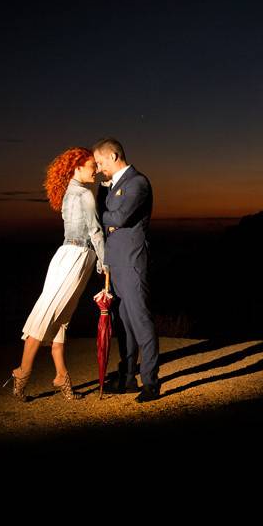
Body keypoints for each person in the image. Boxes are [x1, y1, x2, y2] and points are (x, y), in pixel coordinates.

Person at [5, 147, 107, 401]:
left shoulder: (70, 194)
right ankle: (22, 372)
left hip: (70, 256)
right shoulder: (83, 194)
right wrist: (106, 262)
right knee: (46, 316)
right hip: (74, 258)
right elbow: (94, 232)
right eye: (91, 164)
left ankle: (61, 375)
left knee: (59, 317)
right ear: (77, 167)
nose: (95, 168)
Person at [92, 137, 160, 402]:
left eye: (99, 162)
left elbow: (120, 218)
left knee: (141, 322)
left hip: (132, 262)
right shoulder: (113, 186)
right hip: (116, 264)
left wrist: (96, 210)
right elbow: (114, 218)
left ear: (113, 156)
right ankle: (128, 378)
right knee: (125, 326)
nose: (98, 168)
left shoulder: (138, 183)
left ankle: (152, 383)